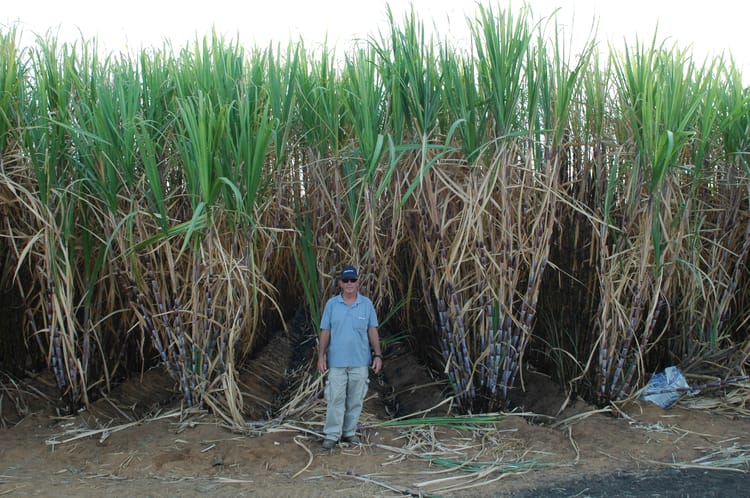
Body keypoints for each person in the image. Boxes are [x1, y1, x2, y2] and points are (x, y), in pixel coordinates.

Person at [317, 265, 382, 449]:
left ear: (358, 282)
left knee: (355, 400)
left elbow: (372, 330)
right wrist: (321, 356)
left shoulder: (366, 304)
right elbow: (326, 331)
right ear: (340, 283)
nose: (349, 284)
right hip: (337, 361)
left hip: (360, 361)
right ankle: (332, 435)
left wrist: (377, 355)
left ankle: (349, 433)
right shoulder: (332, 305)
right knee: (335, 398)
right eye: (345, 280)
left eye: (352, 280)